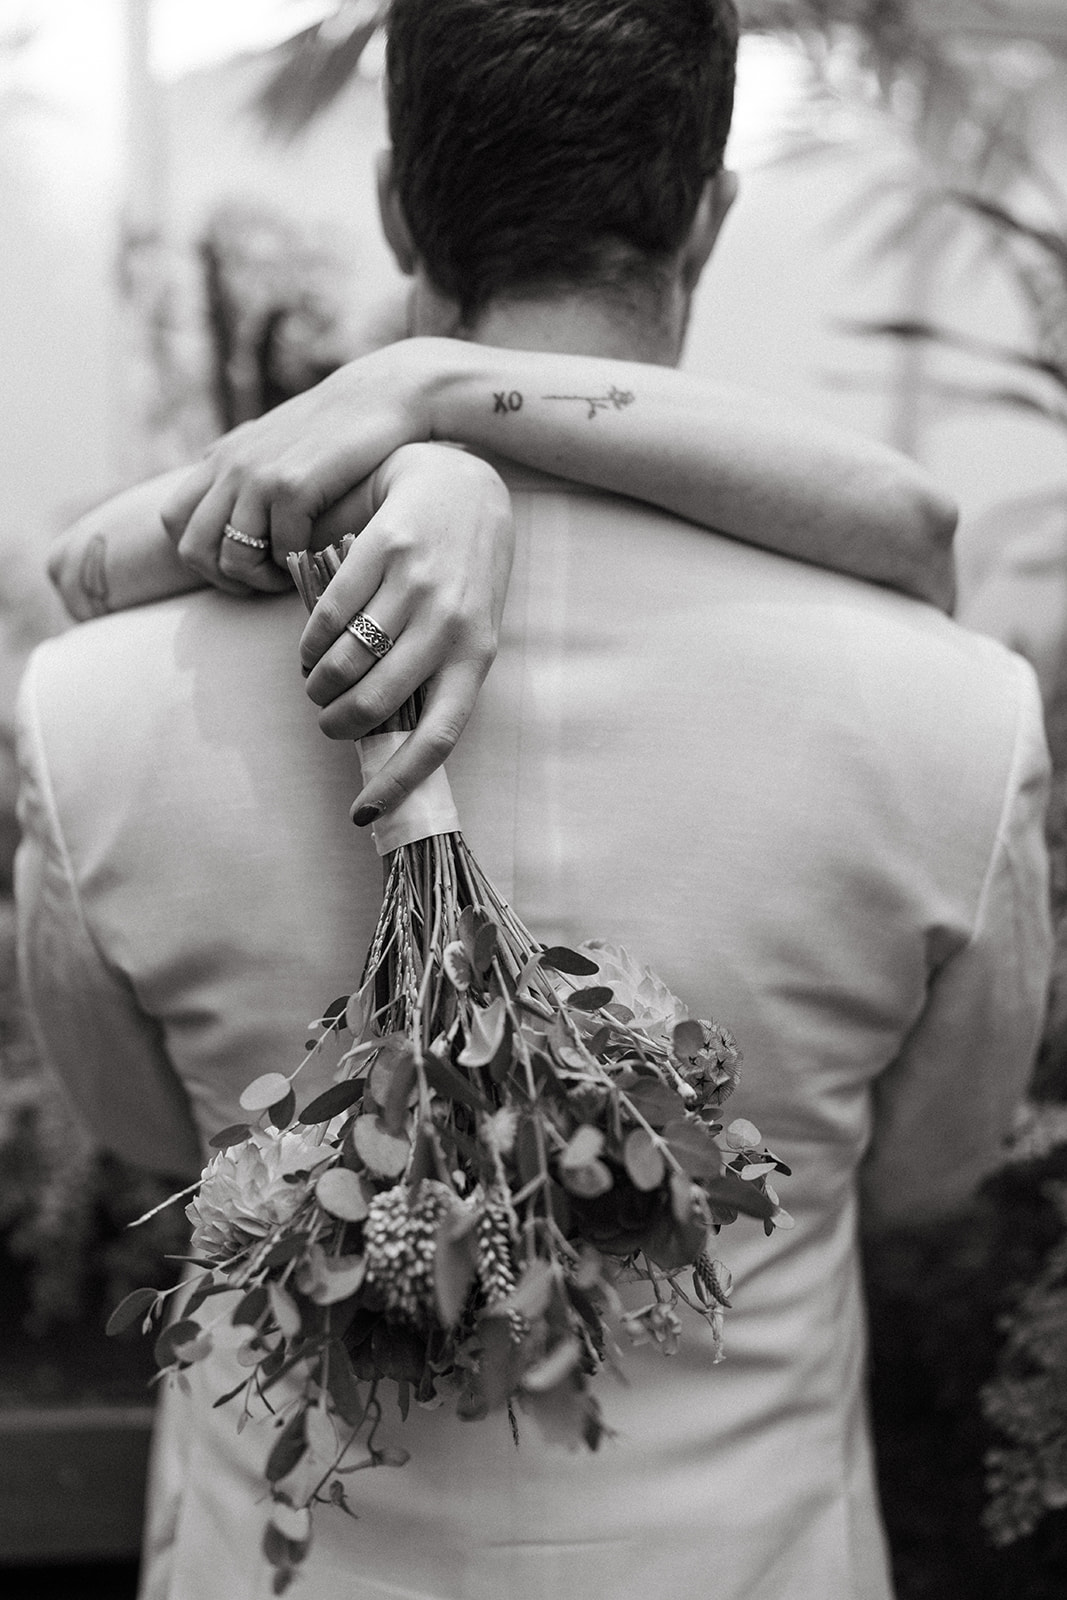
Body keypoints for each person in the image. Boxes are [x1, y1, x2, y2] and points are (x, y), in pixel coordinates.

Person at [15, 3, 1050, 1598]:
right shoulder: (959, 712)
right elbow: (922, 1177)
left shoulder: (92, 707)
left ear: (392, 204)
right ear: (709, 209)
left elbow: (153, 1141)